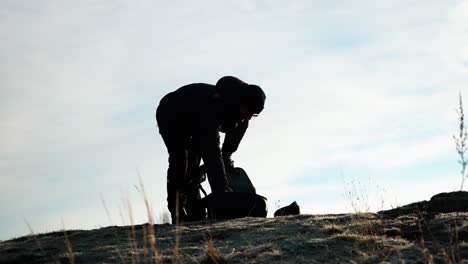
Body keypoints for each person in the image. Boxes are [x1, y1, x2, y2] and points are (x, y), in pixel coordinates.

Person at [155, 76, 266, 224]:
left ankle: (195, 212)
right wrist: (222, 194)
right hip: (171, 113)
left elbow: (224, 152)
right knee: (182, 161)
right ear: (240, 103)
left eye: (253, 115)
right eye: (247, 112)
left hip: (197, 122)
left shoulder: (242, 120)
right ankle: (177, 212)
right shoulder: (214, 107)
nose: (248, 118)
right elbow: (212, 152)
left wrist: (226, 159)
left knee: (198, 166)